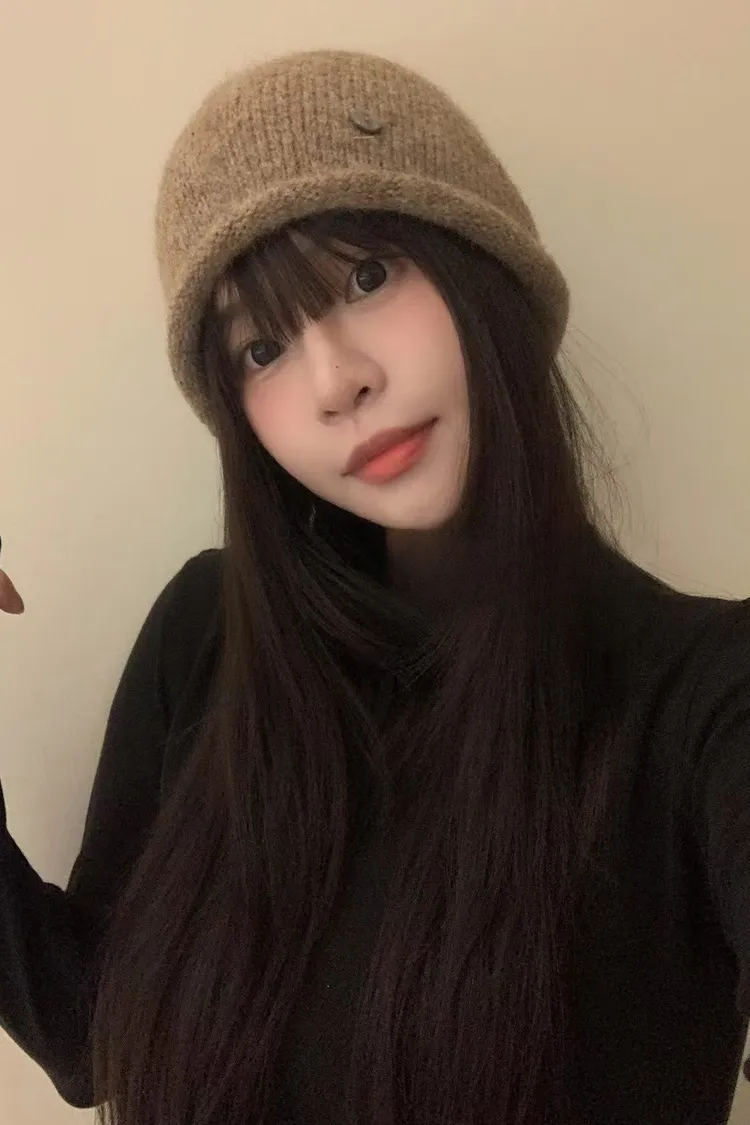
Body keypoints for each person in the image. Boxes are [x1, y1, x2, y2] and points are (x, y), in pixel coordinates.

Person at [1, 47, 748, 1125]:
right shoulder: (210, 635)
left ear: (484, 268)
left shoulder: (705, 700)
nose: (335, 381)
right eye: (260, 347)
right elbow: (91, 1035)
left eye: (366, 277)